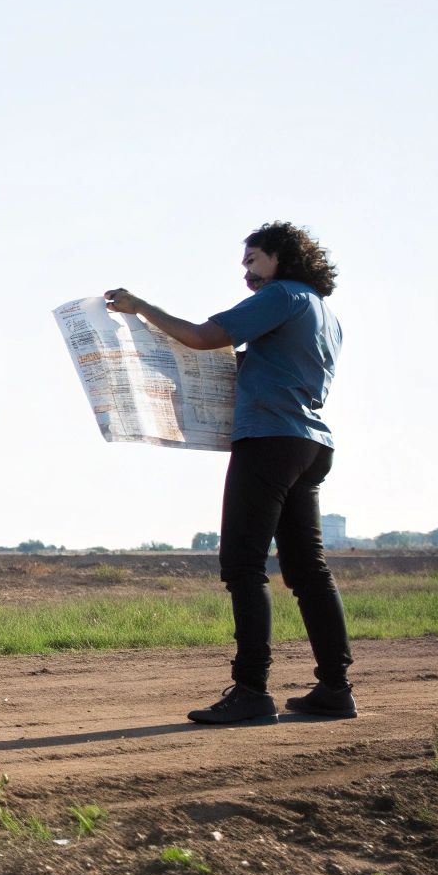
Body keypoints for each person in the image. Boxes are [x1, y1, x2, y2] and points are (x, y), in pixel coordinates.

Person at [104, 222, 353, 724]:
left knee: (243, 565)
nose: (247, 272)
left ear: (282, 257)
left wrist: (141, 308)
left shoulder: (282, 296)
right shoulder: (324, 312)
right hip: (310, 443)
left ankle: (251, 691)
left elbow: (204, 337)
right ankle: (335, 688)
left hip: (268, 440)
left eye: (253, 259)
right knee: (308, 572)